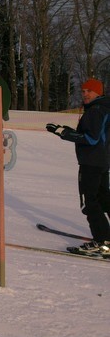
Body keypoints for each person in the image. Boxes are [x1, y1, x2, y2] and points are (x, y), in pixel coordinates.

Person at [46, 78, 110, 256]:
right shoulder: (104, 108)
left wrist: (63, 132)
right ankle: (106, 238)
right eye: (83, 91)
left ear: (99, 92)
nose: (85, 94)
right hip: (102, 161)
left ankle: (103, 242)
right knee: (104, 199)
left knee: (90, 202)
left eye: (90, 91)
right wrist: (66, 130)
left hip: (91, 162)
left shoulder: (96, 110)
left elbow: (91, 139)